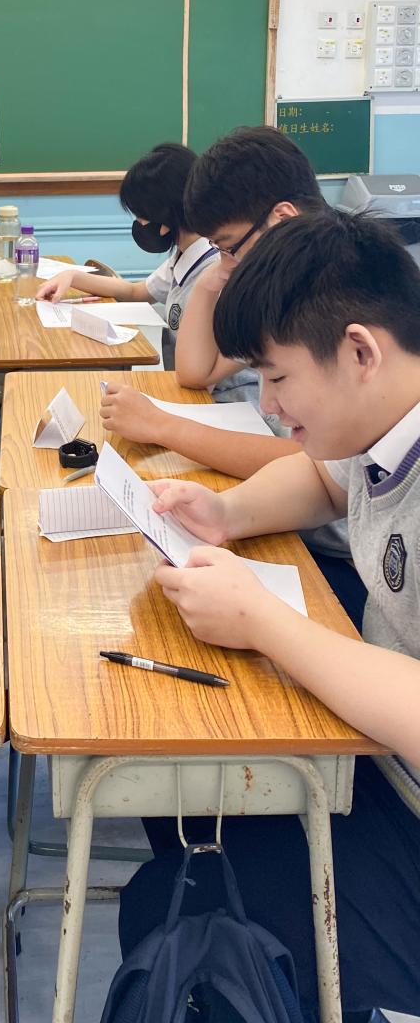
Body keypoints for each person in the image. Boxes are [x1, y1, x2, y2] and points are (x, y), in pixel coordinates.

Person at [119, 209, 420, 1023]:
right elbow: (325, 480)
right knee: (178, 800)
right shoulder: (384, 420)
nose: (272, 407)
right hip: (369, 755)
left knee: (189, 909)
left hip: (402, 811)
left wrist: (264, 622)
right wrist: (227, 513)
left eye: (278, 379)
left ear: (360, 352)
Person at [98, 126, 366, 629]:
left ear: (281, 219)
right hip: (302, 528)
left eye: (226, 247)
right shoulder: (285, 296)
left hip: (340, 561)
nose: (222, 261)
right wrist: (224, 514)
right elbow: (327, 476)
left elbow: (305, 458)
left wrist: (163, 427)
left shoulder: (335, 311)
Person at [36, 142, 215, 368]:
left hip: (210, 387)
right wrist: (71, 276)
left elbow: (202, 372)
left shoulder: (212, 269)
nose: (139, 222)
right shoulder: (185, 254)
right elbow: (136, 292)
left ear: (164, 212)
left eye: (141, 213)